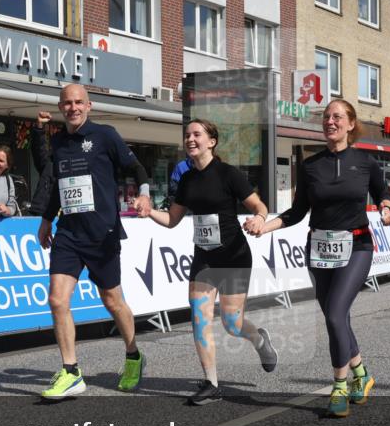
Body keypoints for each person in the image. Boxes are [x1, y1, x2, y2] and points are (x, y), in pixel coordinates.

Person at [256, 99, 390, 418]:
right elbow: (296, 212)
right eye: (327, 117)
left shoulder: (365, 162)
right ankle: (362, 375)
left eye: (337, 117)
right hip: (318, 249)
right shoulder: (310, 165)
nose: (330, 121)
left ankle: (340, 386)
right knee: (338, 318)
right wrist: (266, 227)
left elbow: (382, 193)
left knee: (334, 314)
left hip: (357, 247)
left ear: (350, 124)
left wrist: (386, 209)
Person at [138, 119, 277, 405]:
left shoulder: (228, 174)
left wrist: (260, 219)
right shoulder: (187, 179)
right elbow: (173, 220)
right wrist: (150, 211)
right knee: (200, 319)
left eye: (196, 134)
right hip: (204, 257)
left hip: (234, 256)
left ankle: (259, 339)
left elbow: (259, 205)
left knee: (231, 323)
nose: (190, 139)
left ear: (211, 141)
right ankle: (211, 383)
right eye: (187, 134)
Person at [36, 84, 153, 398]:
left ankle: (133, 355)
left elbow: (136, 166)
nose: (73, 107)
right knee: (58, 300)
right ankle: (71, 371)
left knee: (112, 301)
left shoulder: (105, 135)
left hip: (102, 233)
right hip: (69, 233)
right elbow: (60, 186)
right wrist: (47, 219)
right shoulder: (58, 141)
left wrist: (143, 194)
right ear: (61, 107)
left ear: (88, 105)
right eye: (67, 103)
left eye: (78, 102)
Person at [28, 110, 55, 216]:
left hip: (68, 216)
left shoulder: (79, 165)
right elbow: (39, 149)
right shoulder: (50, 164)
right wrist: (39, 126)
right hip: (43, 212)